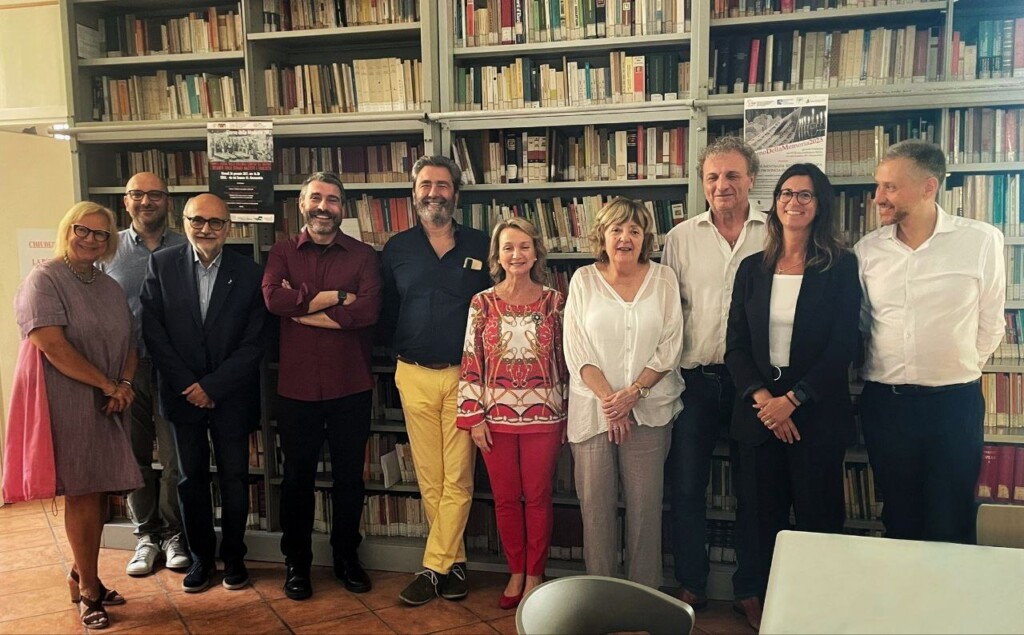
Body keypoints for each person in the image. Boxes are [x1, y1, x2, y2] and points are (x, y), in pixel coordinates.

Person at [855, 140, 1005, 544]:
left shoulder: (981, 241)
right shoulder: (867, 251)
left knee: (951, 521)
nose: (878, 197)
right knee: (899, 518)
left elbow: (991, 323)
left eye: (890, 187)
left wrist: (953, 366)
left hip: (953, 406)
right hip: (887, 405)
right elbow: (865, 324)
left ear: (928, 187)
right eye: (878, 186)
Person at [724, 163, 861, 602]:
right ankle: (755, 597)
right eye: (785, 193)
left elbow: (844, 345)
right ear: (775, 202)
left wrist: (795, 399)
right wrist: (767, 400)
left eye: (805, 194)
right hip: (759, 415)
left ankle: (815, 605)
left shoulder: (841, 266)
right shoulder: (752, 269)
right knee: (757, 517)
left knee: (819, 516)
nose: (793, 202)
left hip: (816, 416)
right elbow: (735, 346)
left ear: (820, 204)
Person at [11, 202, 141, 629]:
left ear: (110, 242)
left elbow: (130, 342)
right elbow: (52, 345)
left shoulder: (109, 285)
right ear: (67, 229)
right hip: (67, 399)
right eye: (82, 230)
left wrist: (125, 384)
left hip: (110, 401)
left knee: (99, 490)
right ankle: (89, 590)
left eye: (101, 234)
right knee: (83, 492)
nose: (90, 239)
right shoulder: (44, 279)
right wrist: (108, 385)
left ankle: (81, 574)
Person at [660, 136, 766, 629]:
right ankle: (691, 582)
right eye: (712, 177)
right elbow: (667, 309)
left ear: (751, 179)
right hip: (695, 380)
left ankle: (750, 589)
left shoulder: (775, 232)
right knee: (686, 486)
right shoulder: (681, 237)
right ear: (702, 183)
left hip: (755, 385)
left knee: (754, 489)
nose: (722, 185)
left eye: (732, 175)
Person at [140, 194, 268, 593]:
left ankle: (234, 557)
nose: (206, 229)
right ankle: (200, 558)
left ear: (229, 227)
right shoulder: (162, 265)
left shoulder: (250, 272)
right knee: (189, 479)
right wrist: (189, 385)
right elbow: (153, 332)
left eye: (215, 222)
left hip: (231, 395)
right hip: (181, 395)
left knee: (234, 479)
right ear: (184, 222)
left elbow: (255, 341)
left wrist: (213, 386)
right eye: (197, 220)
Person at [263, 171, 382, 600]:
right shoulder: (282, 251)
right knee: (297, 481)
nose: (323, 207)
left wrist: (302, 308)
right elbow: (273, 299)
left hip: (351, 385)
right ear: (302, 204)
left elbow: (368, 312)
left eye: (332, 200)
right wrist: (338, 296)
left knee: (350, 480)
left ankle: (347, 557)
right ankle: (297, 563)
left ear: (342, 208)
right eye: (316, 198)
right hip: (296, 390)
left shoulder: (364, 255)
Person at [380, 155, 491, 606]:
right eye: (425, 185)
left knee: (458, 476)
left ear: (456, 194)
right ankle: (455, 563)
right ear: (414, 193)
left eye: (442, 185)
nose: (434, 193)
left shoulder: (482, 244)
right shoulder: (396, 249)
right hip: (412, 374)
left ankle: (433, 568)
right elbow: (386, 312)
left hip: (465, 378)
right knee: (431, 477)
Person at [563, 197, 684, 590]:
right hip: (593, 414)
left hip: (649, 411)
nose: (625, 237)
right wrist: (612, 404)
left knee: (646, 512)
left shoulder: (664, 279)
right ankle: (601, 595)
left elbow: (670, 346)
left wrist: (633, 394)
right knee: (595, 511)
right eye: (616, 229)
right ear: (602, 235)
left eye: (634, 230)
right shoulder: (583, 280)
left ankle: (643, 596)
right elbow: (576, 349)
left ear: (645, 237)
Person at [456, 217, 568, 610]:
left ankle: (535, 572)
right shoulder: (482, 303)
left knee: (538, 496)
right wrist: (473, 416)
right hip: (494, 419)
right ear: (498, 256)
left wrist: (570, 414)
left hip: (545, 416)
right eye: (508, 247)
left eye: (523, 246)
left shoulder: (554, 302)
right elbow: (471, 359)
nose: (516, 254)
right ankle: (515, 570)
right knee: (505, 499)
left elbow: (566, 361)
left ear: (536, 253)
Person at [100, 172, 190, 577]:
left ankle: (174, 534)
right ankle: (146, 535)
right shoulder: (107, 248)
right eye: (137, 194)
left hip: (174, 368)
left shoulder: (186, 245)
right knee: (133, 456)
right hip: (124, 370)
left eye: (155, 195)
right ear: (126, 201)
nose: (146, 201)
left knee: (175, 458)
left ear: (168, 201)